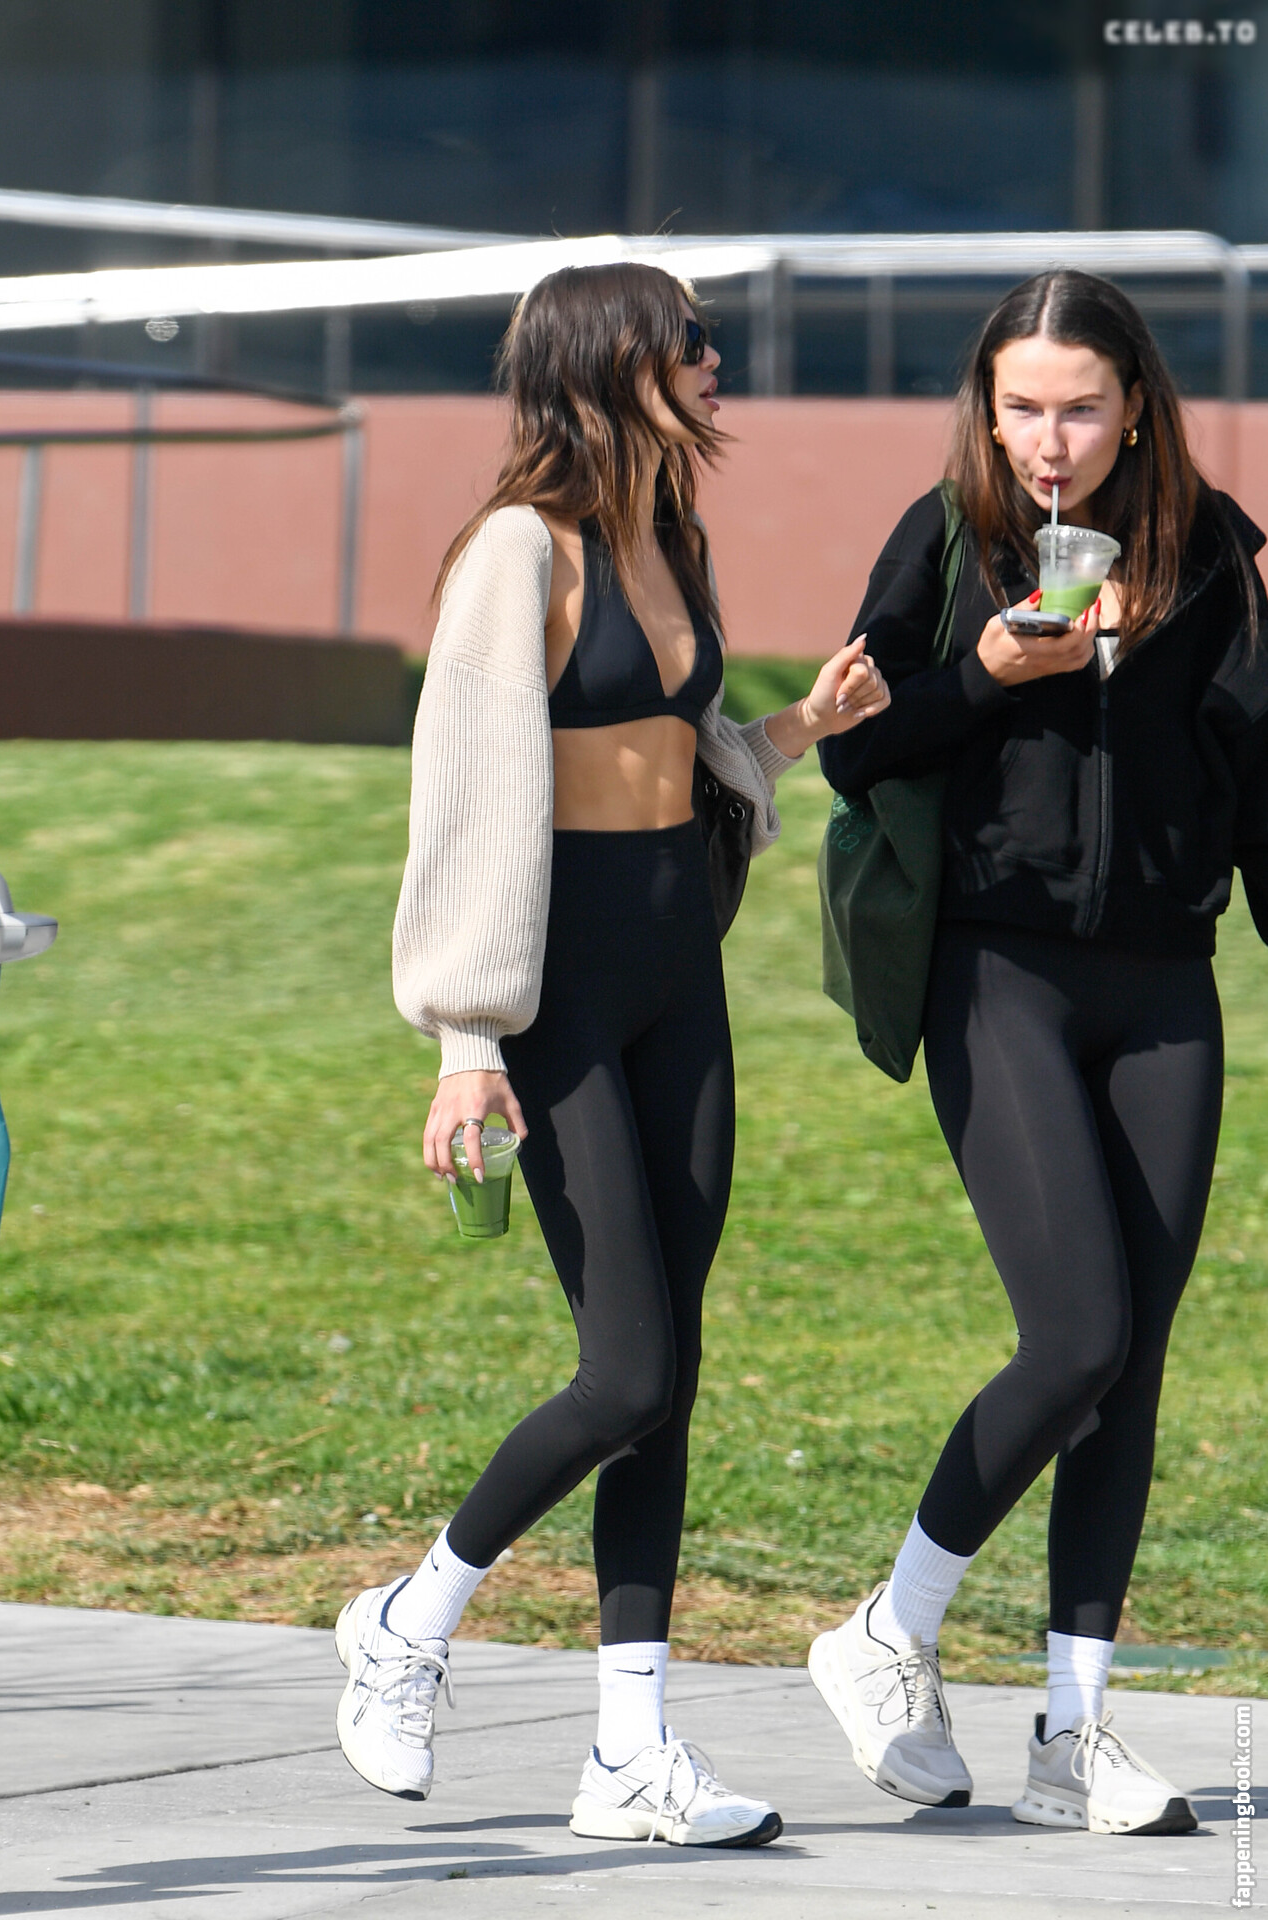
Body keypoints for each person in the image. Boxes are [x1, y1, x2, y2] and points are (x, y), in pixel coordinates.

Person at [334, 260, 889, 1844]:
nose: (715, 361)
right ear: (609, 362)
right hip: (558, 992)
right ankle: (407, 1622)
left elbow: (670, 758)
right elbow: (466, 793)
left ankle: (628, 1752)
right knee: (624, 1370)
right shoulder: (517, 548)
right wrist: (465, 1040)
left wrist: (795, 733)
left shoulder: (669, 531)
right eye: (690, 341)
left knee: (672, 1376)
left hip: (673, 974)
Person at [813, 268, 1268, 1837]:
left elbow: (1255, 785)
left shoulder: (1211, 556)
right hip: (994, 969)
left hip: (1165, 989)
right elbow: (856, 750)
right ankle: (890, 1628)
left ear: (1135, 406)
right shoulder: (947, 537)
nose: (1049, 439)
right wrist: (982, 680)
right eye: (1022, 408)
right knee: (1074, 1334)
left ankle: (1075, 1732)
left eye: (1080, 407)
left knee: (1130, 1365)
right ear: (987, 409)